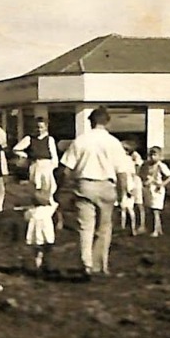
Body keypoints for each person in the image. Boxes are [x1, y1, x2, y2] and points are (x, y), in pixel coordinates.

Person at [59, 106, 131, 279]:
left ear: (91, 121)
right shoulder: (114, 143)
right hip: (107, 186)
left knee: (85, 228)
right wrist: (122, 195)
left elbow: (66, 169)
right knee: (104, 229)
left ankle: (87, 264)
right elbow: (122, 172)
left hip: (85, 186)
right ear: (107, 122)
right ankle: (100, 265)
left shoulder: (81, 141)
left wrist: (61, 189)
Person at [11, 117, 59, 196]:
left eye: (41, 127)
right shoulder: (30, 139)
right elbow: (16, 149)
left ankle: (47, 202)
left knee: (48, 186)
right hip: (35, 164)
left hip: (47, 165)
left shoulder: (49, 139)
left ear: (46, 127)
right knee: (35, 185)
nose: (39, 129)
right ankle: (36, 202)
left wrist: (54, 166)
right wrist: (25, 155)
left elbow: (54, 154)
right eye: (37, 127)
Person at [23, 180, 58, 275]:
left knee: (37, 250)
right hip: (46, 233)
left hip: (35, 234)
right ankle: (45, 264)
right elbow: (55, 205)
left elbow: (25, 217)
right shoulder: (48, 210)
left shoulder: (31, 211)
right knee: (47, 249)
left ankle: (38, 265)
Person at [143, 146, 170, 238]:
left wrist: (161, 184)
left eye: (155, 155)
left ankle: (155, 230)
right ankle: (158, 228)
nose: (152, 157)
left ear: (159, 156)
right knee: (150, 209)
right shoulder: (147, 165)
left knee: (155, 210)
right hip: (149, 189)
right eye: (151, 155)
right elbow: (142, 174)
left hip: (157, 189)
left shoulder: (161, 165)